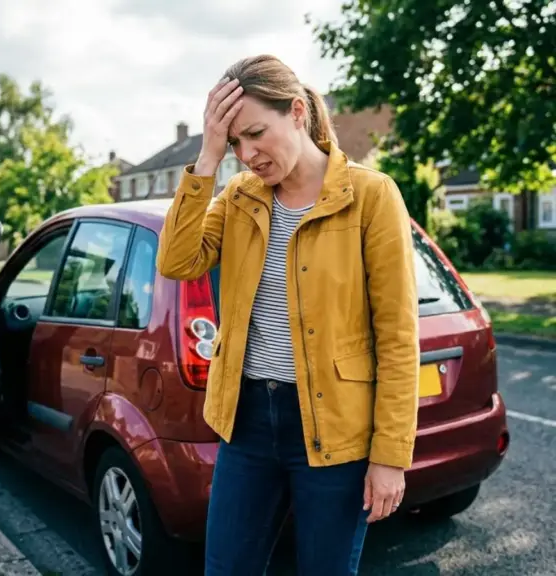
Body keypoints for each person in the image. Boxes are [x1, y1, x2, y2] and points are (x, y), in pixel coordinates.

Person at [156, 54, 420, 575]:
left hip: (334, 427)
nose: (247, 154)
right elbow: (177, 260)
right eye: (235, 143)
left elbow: (397, 335)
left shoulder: (370, 197)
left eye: (255, 133)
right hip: (249, 422)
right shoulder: (238, 197)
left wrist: (390, 454)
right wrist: (206, 158)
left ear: (297, 112)